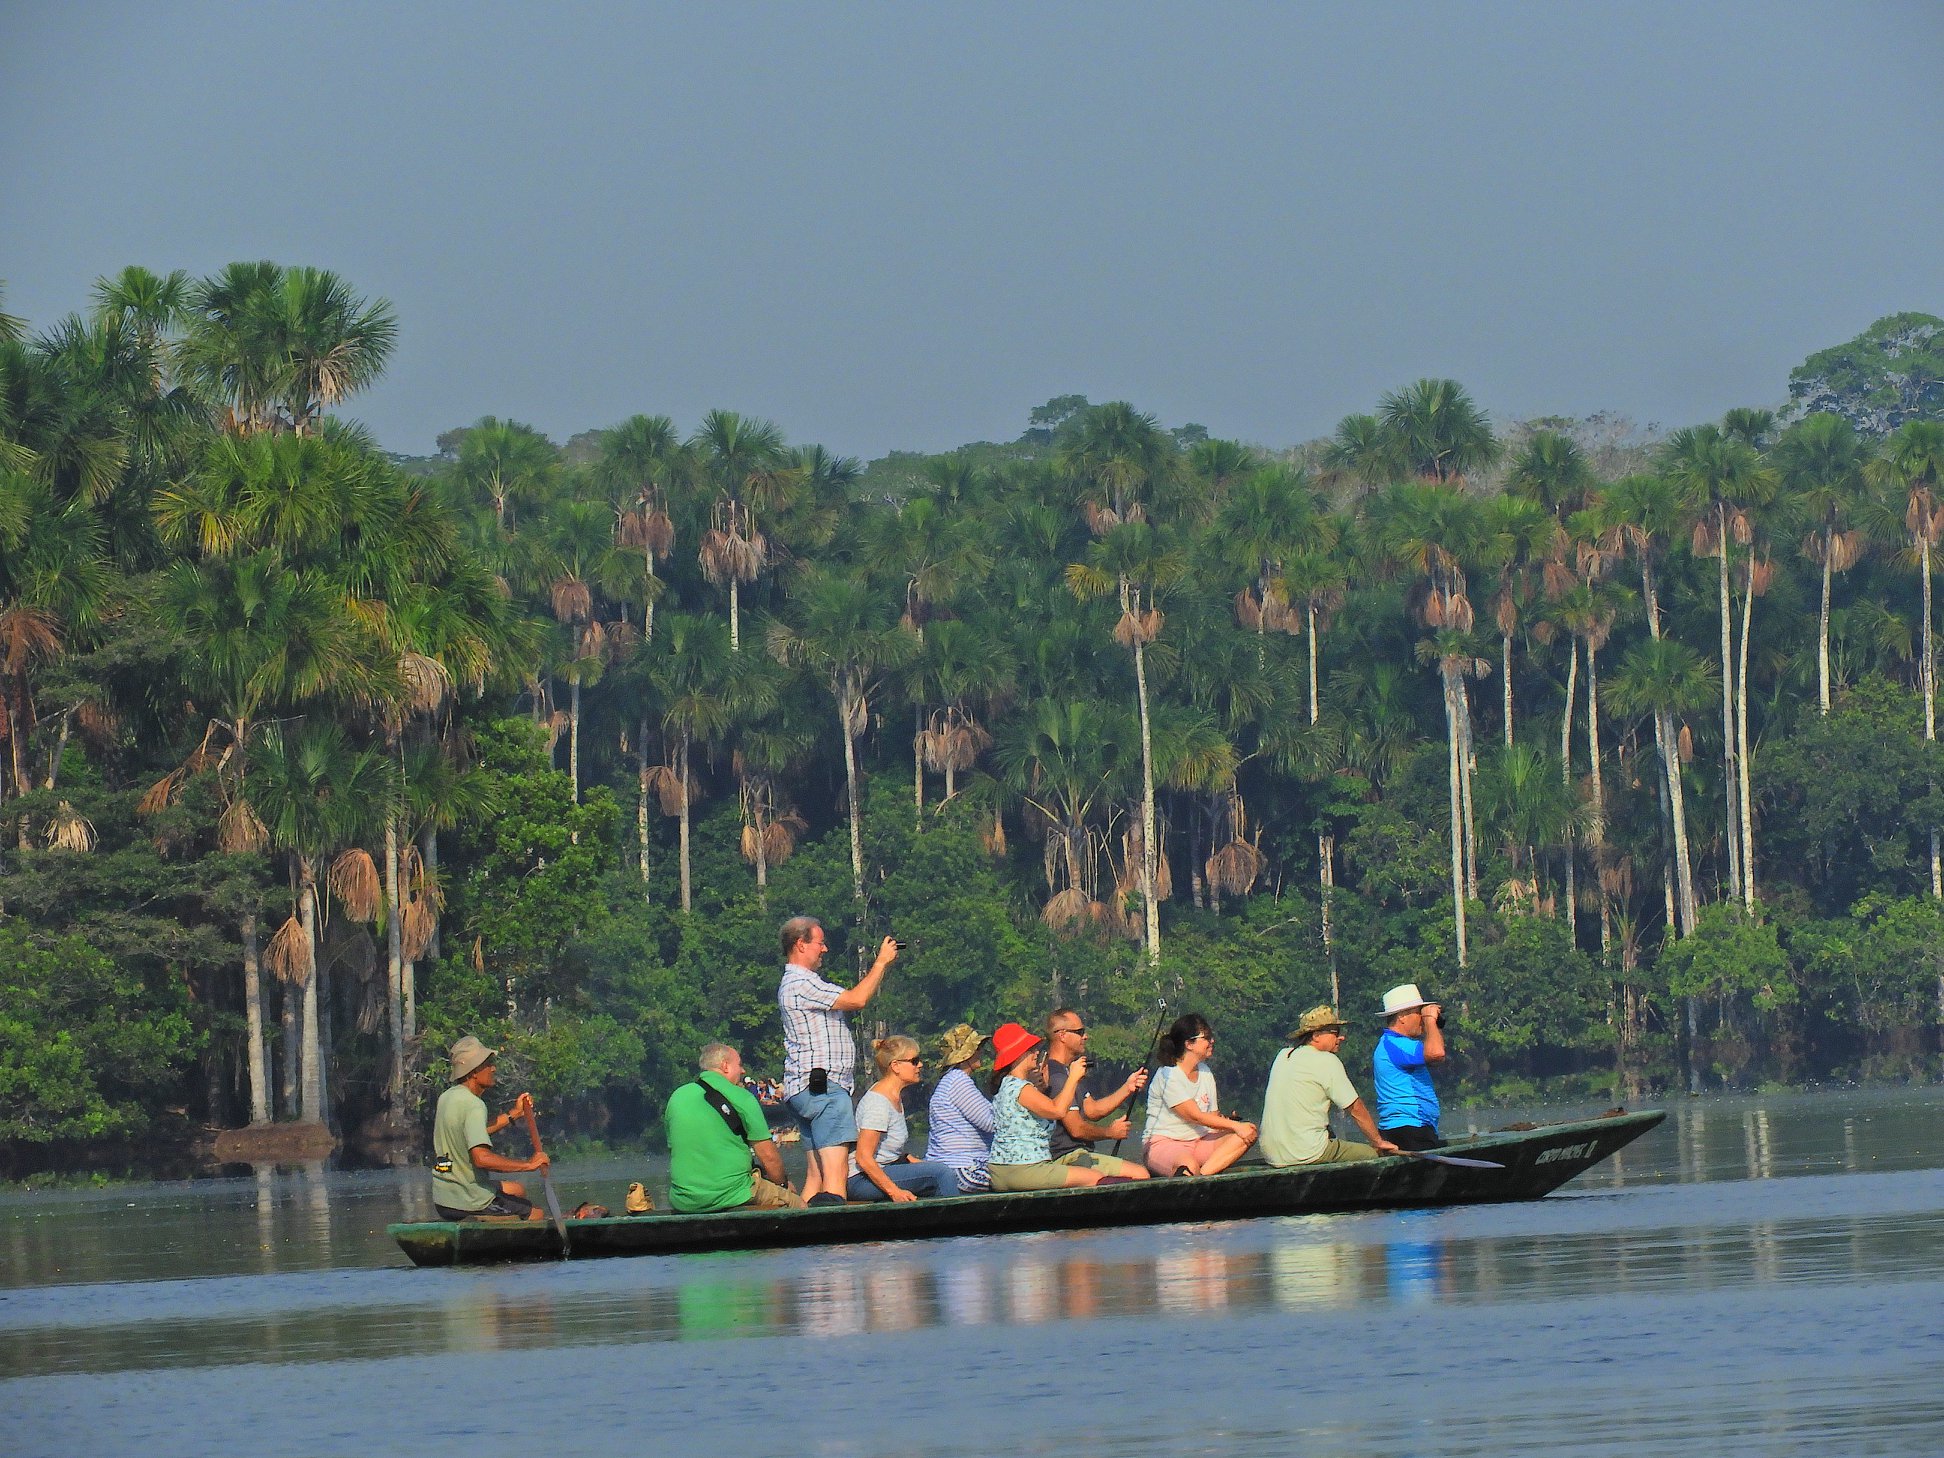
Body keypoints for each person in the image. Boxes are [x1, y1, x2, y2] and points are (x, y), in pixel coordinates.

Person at [776, 915, 899, 1206]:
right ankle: (837, 1246)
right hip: (824, 1089)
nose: (825, 949)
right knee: (836, 1175)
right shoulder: (800, 983)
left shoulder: (799, 984)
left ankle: (799, 1240)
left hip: (808, 1089)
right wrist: (880, 963)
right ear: (801, 944)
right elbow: (857, 1000)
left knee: (816, 1178)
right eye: (820, 943)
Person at [986, 1022, 1136, 1191]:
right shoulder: (1020, 1087)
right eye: (1031, 1049)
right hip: (1023, 1169)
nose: (1036, 1053)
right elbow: (1057, 1110)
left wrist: (1043, 1088)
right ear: (1018, 1055)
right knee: (1095, 1177)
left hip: (1004, 1170)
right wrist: (1073, 1077)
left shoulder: (1011, 1086)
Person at [664, 1042, 805, 1213]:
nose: (743, 1071)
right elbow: (769, 1157)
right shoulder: (742, 1097)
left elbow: (674, 1148)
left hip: (684, 1201)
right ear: (725, 1066)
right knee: (798, 1205)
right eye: (739, 1065)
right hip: (733, 1193)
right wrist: (783, 1186)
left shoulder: (677, 1097)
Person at [1259, 1005, 1400, 1166]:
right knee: (1371, 1155)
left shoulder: (1283, 1055)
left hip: (1271, 1155)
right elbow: (1356, 1109)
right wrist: (1378, 1142)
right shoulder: (1326, 1060)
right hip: (1306, 1152)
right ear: (1316, 1035)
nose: (1342, 1038)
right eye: (1335, 1033)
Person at [431, 1035, 550, 1221]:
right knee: (537, 1214)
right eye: (487, 1064)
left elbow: (474, 1133)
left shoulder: (447, 1097)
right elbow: (482, 1159)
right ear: (473, 1072)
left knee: (518, 1190)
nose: (493, 1068)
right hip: (469, 1200)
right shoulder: (474, 1104)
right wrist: (529, 1165)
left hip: (443, 1199)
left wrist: (514, 1114)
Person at [1141, 1012, 1257, 1177]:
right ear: (1189, 1044)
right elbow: (1195, 1116)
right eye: (1207, 1037)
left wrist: (1231, 1123)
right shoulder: (1168, 1075)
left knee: (1248, 1132)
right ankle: (1194, 1175)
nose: (1212, 1041)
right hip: (1164, 1144)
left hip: (1199, 1142)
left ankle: (1202, 1177)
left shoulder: (1205, 1071)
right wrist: (1235, 1126)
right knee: (1188, 1164)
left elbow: (1212, 1117)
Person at [1042, 1008, 1150, 1181]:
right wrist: (1110, 1132)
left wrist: (1127, 1087)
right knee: (1140, 1175)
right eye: (1080, 1032)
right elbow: (1076, 1129)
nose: (1086, 1037)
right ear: (1062, 1035)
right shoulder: (1057, 1077)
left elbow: (1092, 1110)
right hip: (1067, 1158)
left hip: (1080, 1154)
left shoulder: (1070, 1071)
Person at [847, 1036, 959, 1202]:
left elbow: (885, 1149)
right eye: (914, 1061)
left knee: (937, 1169)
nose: (920, 1065)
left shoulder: (894, 1097)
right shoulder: (878, 1103)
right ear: (896, 1066)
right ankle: (958, 1224)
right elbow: (863, 1158)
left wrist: (915, 1161)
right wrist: (895, 1192)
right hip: (861, 1180)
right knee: (941, 1173)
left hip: (885, 1169)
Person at [1373, 983, 1447, 1149]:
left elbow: (1435, 1058)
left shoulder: (1391, 1044)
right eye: (1418, 1013)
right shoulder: (1397, 1044)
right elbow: (1437, 1053)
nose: (1421, 1018)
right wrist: (1429, 1019)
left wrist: (1434, 1023)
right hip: (1410, 1129)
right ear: (1402, 1017)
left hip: (1406, 1128)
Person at [925, 1024, 995, 1191]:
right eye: (977, 1048)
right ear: (967, 1054)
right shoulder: (958, 1081)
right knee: (1013, 1181)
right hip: (962, 1168)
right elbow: (991, 1123)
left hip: (959, 1166)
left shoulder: (953, 1080)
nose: (981, 1052)